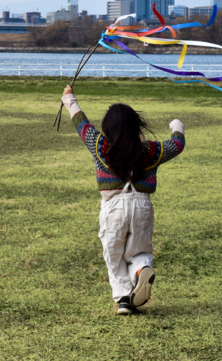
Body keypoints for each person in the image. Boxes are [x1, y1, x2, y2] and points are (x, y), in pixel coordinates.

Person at [61, 84, 185, 315]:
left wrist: (69, 98)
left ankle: (124, 299)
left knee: (114, 255)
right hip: (142, 207)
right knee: (138, 251)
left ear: (108, 128)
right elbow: (177, 145)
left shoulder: (100, 147)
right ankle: (141, 271)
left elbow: (82, 125)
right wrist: (177, 126)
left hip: (113, 207)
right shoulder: (150, 151)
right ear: (136, 127)